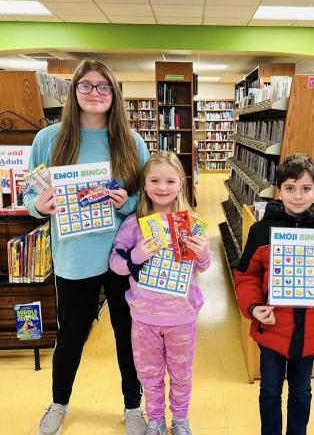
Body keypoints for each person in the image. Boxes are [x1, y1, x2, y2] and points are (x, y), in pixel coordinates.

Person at [23, 60, 150, 435]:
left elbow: (146, 195)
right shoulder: (50, 138)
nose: (95, 93)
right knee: (71, 336)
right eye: (87, 86)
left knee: (128, 334)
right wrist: (38, 205)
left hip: (123, 255)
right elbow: (31, 192)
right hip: (74, 257)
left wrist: (124, 200)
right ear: (74, 90)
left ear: (114, 94)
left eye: (103, 87)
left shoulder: (131, 141)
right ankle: (59, 401)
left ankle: (132, 406)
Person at [234, 154, 314, 435]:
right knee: (270, 391)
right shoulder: (261, 232)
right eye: (290, 188)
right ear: (278, 190)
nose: (298, 196)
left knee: (302, 391)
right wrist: (254, 307)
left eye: (306, 189)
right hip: (272, 328)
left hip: (311, 329)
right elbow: (247, 275)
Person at [109, 151, 211, 435]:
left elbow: (204, 266)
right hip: (144, 317)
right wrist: (136, 256)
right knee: (149, 374)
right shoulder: (134, 223)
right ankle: (154, 419)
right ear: (144, 184)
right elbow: (115, 264)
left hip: (181, 317)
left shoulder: (189, 222)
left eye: (169, 180)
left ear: (181, 183)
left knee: (181, 374)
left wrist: (203, 253)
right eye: (154, 180)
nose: (162, 187)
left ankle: (180, 419)